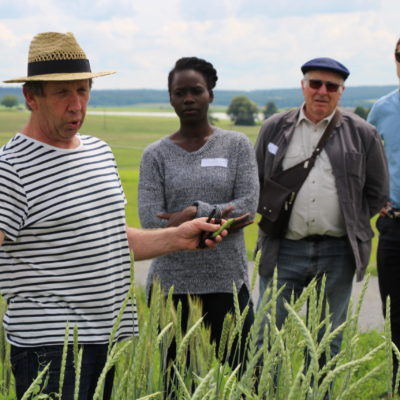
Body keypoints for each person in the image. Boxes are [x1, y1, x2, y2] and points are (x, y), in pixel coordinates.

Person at [0, 32, 227, 400]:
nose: (77, 105)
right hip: (48, 350)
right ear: (31, 96)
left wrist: (178, 237)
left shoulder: (99, 152)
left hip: (107, 341)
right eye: (62, 93)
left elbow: (110, 238)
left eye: (83, 90)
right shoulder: (11, 168)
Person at [255, 57, 388, 367]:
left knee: (327, 342)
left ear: (341, 92)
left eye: (331, 86)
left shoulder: (362, 133)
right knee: (266, 338)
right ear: (303, 86)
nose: (322, 91)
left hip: (337, 251)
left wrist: (352, 221)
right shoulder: (275, 127)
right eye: (315, 83)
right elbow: (257, 180)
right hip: (283, 248)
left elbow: (377, 191)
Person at [138, 57, 259, 376]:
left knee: (243, 381)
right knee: (173, 384)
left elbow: (247, 207)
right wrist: (221, 219)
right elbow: (152, 222)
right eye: (180, 93)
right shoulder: (155, 155)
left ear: (210, 94)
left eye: (196, 90)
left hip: (227, 285)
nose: (188, 99)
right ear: (171, 98)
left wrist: (193, 213)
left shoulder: (236, 146)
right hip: (170, 291)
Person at [367, 37, 400, 394]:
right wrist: (378, 203)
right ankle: (396, 384)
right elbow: (367, 163)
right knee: (395, 313)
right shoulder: (382, 109)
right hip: (395, 227)